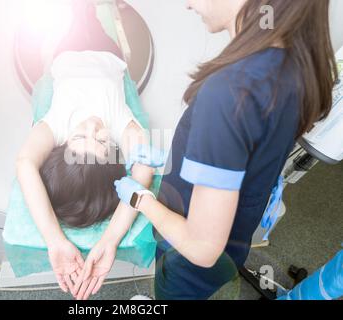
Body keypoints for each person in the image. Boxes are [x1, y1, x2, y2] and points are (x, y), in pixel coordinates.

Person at [109, 0, 338, 300]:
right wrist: (189, 157)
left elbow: (202, 249)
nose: (188, 3)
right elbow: (246, 157)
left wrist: (140, 198)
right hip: (233, 244)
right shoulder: (293, 66)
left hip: (188, 264)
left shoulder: (227, 94)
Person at [15, 0, 158, 298]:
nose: (92, 127)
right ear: (114, 153)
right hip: (109, 56)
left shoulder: (56, 127)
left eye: (81, 139)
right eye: (103, 142)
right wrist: (109, 240)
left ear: (64, 146)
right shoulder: (122, 127)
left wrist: (55, 240)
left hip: (66, 55)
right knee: (95, 19)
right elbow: (144, 172)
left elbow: (26, 163)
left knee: (74, 19)